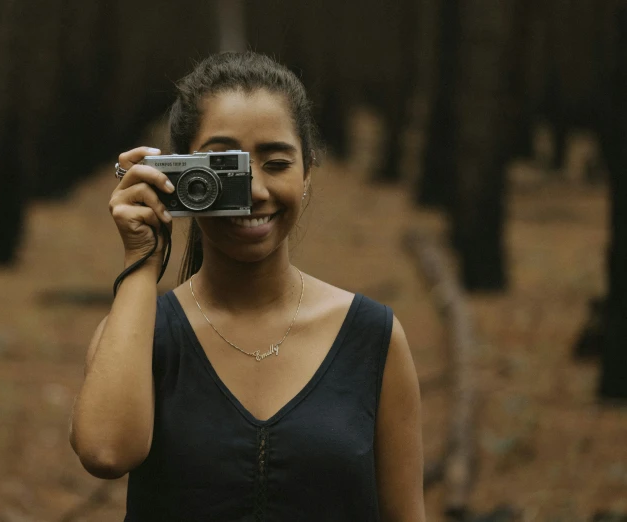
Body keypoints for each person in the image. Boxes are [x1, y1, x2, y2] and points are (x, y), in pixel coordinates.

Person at [69, 51, 425, 521]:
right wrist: (142, 262)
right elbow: (106, 453)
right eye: (223, 167)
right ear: (176, 176)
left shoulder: (371, 338)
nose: (253, 190)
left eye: (276, 163)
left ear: (307, 173)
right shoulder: (141, 335)